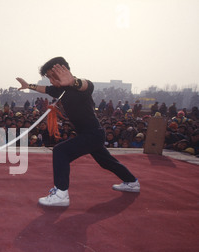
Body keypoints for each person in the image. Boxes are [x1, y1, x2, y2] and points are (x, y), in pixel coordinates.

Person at [16, 57, 140, 207]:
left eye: (51, 76)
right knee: (106, 162)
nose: (50, 80)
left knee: (61, 152)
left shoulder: (79, 87)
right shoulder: (60, 90)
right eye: (48, 77)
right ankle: (132, 182)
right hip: (89, 134)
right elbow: (46, 90)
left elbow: (87, 86)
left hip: (92, 134)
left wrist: (73, 82)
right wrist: (27, 85)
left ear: (64, 71)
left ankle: (61, 194)